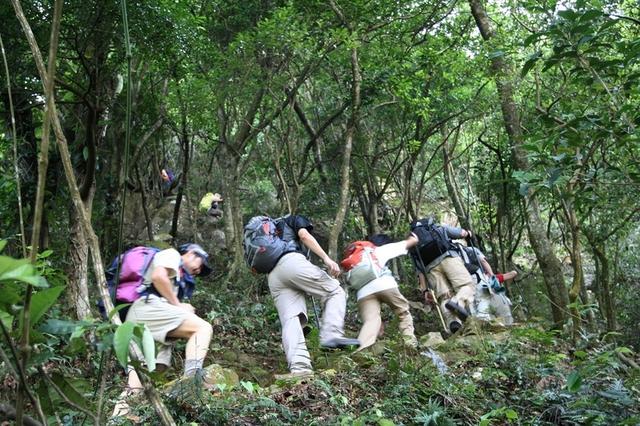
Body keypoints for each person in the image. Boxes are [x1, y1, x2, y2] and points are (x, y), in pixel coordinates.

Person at [113, 243, 213, 416]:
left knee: (141, 382)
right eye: (200, 263)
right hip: (146, 309)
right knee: (202, 328)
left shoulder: (180, 278)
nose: (199, 270)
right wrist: (179, 306)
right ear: (190, 253)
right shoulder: (172, 255)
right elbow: (159, 277)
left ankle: (116, 419)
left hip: (140, 319)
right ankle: (192, 381)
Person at [267, 214, 359, 378]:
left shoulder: (271, 232)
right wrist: (326, 259)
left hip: (273, 276)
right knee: (335, 291)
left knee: (291, 319)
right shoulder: (295, 219)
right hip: (291, 261)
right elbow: (304, 235)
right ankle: (331, 335)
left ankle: (300, 369)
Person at [351, 233, 419, 351]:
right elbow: (410, 242)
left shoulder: (358, 258)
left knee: (371, 320)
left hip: (363, 292)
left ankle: (361, 350)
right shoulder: (380, 250)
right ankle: (409, 343)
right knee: (403, 313)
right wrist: (414, 237)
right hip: (384, 284)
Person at [410, 218, 475, 334]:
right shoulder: (437, 228)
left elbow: (419, 270)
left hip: (430, 269)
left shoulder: (413, 243)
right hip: (449, 258)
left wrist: (425, 290)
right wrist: (468, 233)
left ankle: (453, 324)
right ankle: (457, 301)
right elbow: (461, 233)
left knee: (445, 296)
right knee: (466, 286)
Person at [455, 242, 517, 325]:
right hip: (480, 283)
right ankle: (490, 323)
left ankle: (477, 325)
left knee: (473, 306)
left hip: (462, 282)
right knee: (485, 303)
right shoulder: (490, 278)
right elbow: (483, 261)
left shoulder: (453, 254)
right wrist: (492, 276)